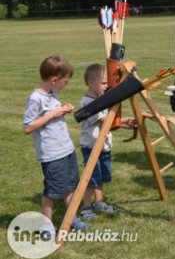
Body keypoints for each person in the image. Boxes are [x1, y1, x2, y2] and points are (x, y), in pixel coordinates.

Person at [22, 55, 89, 230]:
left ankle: (71, 218)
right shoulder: (35, 99)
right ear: (54, 80)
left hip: (67, 149)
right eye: (65, 81)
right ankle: (46, 226)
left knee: (71, 186)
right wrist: (52, 114)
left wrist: (62, 109)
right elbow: (28, 127)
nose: (66, 84)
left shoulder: (53, 94)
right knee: (52, 192)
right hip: (52, 155)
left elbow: (52, 114)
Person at [78, 63, 135, 220]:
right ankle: (86, 207)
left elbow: (109, 121)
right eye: (103, 83)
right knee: (91, 178)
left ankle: (99, 202)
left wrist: (125, 122)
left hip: (104, 146)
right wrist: (123, 122)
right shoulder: (88, 102)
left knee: (102, 176)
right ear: (90, 82)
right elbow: (104, 120)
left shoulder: (102, 99)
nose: (106, 86)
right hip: (91, 146)